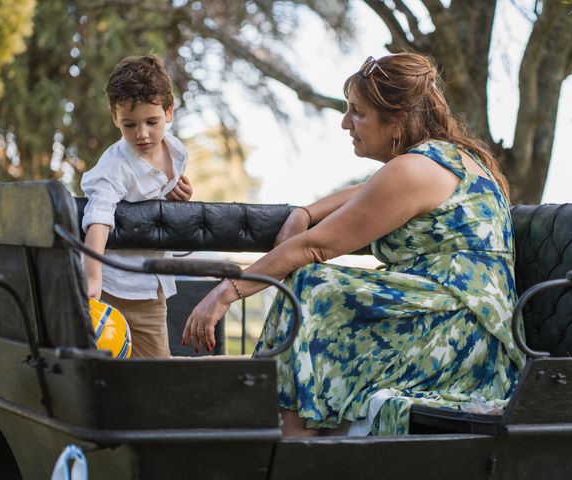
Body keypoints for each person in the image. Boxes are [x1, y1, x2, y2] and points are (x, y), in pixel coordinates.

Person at [182, 53, 525, 436]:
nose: (345, 123)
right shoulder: (442, 159)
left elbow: (314, 248)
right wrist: (305, 212)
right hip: (461, 322)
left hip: (462, 335)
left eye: (357, 113)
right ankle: (284, 428)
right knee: (311, 286)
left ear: (395, 121)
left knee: (312, 286)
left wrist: (226, 293)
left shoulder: (414, 169)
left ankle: (293, 439)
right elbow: (364, 194)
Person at [82, 54, 192, 358]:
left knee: (157, 366)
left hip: (151, 289)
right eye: (129, 125)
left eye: (151, 122)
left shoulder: (177, 152)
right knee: (105, 369)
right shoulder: (114, 166)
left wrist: (177, 192)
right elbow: (99, 217)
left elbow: (161, 188)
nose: (141, 134)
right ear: (116, 118)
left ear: (168, 112)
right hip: (111, 286)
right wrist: (92, 278)